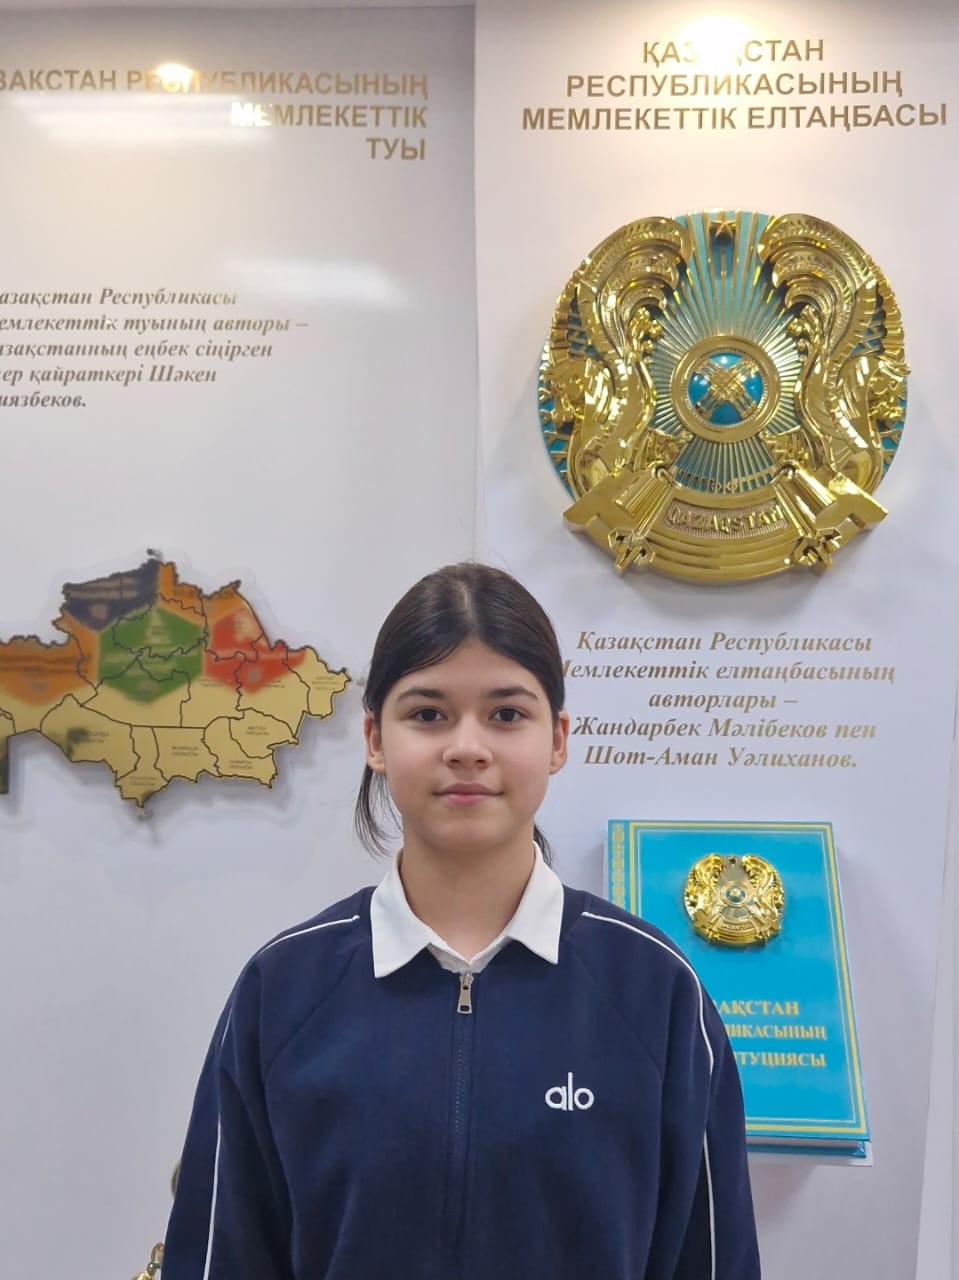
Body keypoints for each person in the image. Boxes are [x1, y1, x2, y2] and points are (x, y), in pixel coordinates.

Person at [163, 562, 761, 1279]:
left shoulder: (654, 989)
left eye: (506, 714)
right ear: (375, 740)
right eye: (428, 714)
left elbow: (713, 1260)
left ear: (558, 739)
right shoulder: (283, 990)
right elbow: (221, 1258)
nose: (467, 747)